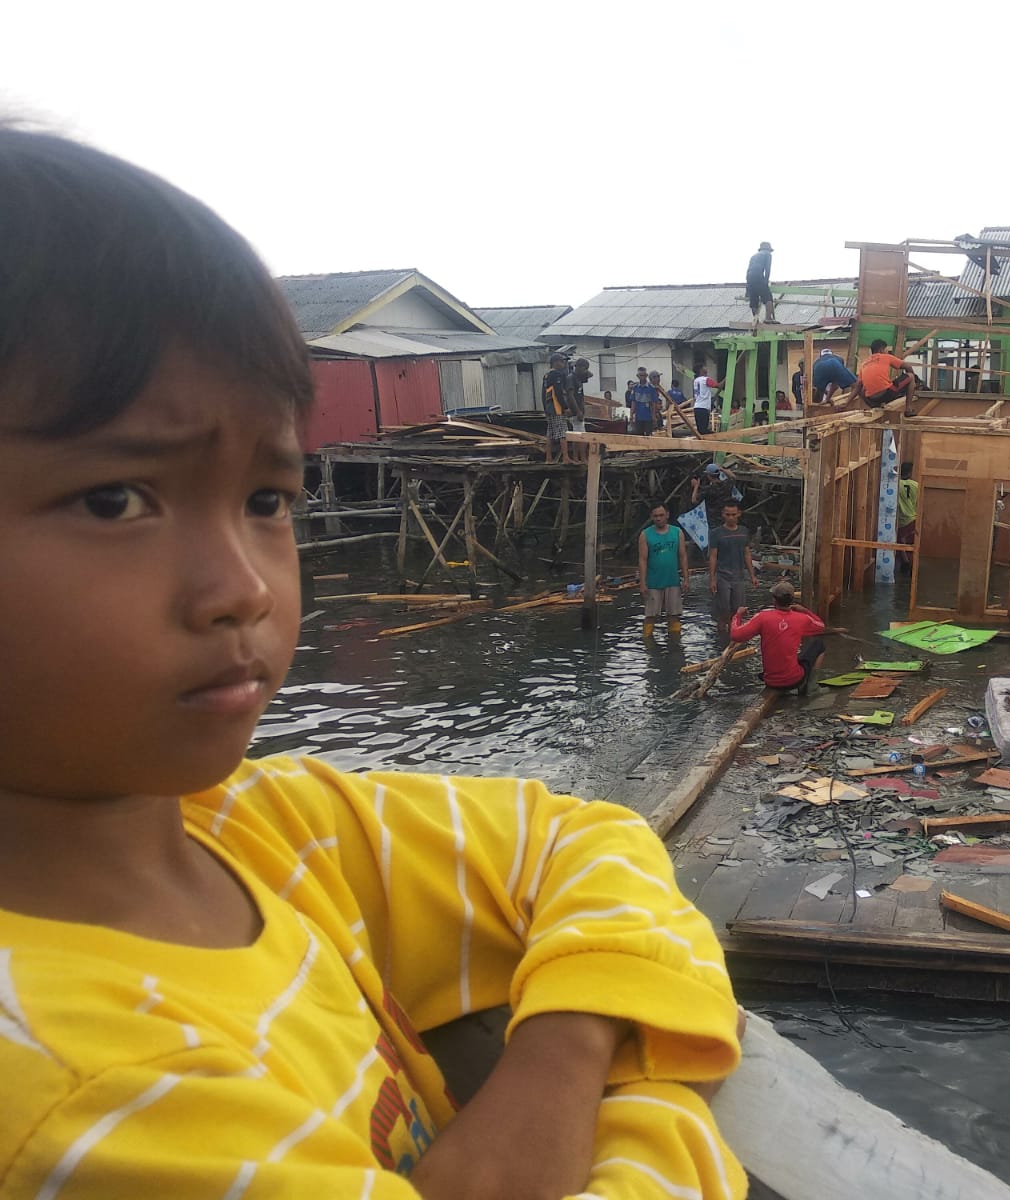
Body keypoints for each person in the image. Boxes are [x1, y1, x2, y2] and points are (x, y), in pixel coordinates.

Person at [0, 128, 746, 1199]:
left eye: (268, 500)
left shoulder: (260, 828)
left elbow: (593, 835)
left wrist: (561, 1051)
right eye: (116, 500)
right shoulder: (83, 1097)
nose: (246, 587)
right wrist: (654, 1080)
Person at [731, 582, 826, 693]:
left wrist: (737, 615)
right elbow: (821, 626)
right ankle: (811, 685)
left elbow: (735, 635)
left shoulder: (762, 617)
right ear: (791, 600)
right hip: (794, 679)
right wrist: (804, 610)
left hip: (771, 680)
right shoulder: (802, 618)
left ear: (774, 600)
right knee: (819, 644)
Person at [707, 500, 759, 637]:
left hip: (739, 576)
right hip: (723, 576)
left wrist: (752, 575)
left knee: (739, 610)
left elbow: (747, 553)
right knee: (723, 610)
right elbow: (713, 556)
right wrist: (712, 579)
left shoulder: (743, 531)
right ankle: (722, 637)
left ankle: (735, 635)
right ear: (723, 514)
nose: (730, 517)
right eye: (727, 514)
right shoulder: (716, 533)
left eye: (733, 514)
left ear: (739, 514)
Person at [637, 504, 688, 638]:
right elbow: (642, 560)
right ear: (651, 517)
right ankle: (647, 642)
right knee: (650, 615)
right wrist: (642, 583)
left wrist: (686, 578)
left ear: (667, 515)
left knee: (674, 615)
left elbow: (682, 556)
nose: (658, 518)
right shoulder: (645, 534)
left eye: (661, 515)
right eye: (655, 516)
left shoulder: (677, 532)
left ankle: (675, 642)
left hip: (672, 580)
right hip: (653, 581)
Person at [858, 338, 918, 409]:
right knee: (911, 376)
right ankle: (908, 408)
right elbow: (908, 366)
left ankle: (874, 406)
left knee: (862, 389)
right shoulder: (886, 357)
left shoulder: (864, 364)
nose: (887, 352)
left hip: (871, 399)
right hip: (886, 394)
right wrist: (913, 383)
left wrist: (847, 403)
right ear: (881, 350)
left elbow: (858, 386)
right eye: (886, 350)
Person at [541, 350, 574, 463]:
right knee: (562, 433)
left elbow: (542, 394)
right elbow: (558, 393)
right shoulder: (556, 375)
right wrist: (565, 407)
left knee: (550, 434)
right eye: (562, 361)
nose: (564, 364)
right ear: (555, 362)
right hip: (557, 408)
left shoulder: (546, 375)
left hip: (549, 408)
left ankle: (548, 458)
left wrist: (545, 409)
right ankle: (565, 457)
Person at [896, 460, 919, 571]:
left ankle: (906, 564)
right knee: (911, 544)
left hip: (901, 521)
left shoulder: (896, 484)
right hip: (913, 519)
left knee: (901, 543)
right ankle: (911, 566)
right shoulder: (916, 485)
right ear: (910, 473)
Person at [745, 240, 775, 327]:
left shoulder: (753, 256)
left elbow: (748, 270)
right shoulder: (767, 254)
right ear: (768, 249)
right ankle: (768, 318)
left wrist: (747, 288)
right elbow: (767, 269)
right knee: (768, 297)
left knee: (753, 299)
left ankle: (755, 319)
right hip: (758, 276)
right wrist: (766, 281)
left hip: (749, 277)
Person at [627, 367, 660, 435]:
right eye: (640, 375)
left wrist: (654, 417)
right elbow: (633, 403)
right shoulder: (635, 388)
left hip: (648, 418)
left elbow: (654, 404)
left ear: (646, 376)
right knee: (639, 437)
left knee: (648, 437)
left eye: (643, 375)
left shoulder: (651, 388)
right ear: (637, 376)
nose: (642, 377)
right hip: (638, 417)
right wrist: (631, 416)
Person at [692, 365, 722, 435]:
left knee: (701, 430)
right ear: (701, 370)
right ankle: (715, 437)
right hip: (704, 408)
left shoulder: (695, 380)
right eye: (704, 367)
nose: (706, 368)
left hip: (697, 407)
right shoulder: (705, 379)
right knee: (704, 430)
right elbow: (718, 386)